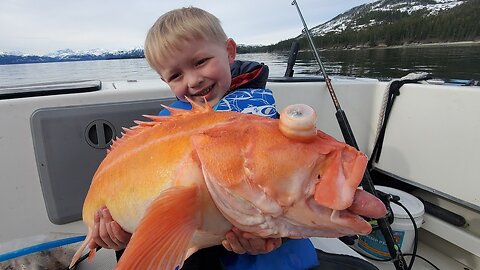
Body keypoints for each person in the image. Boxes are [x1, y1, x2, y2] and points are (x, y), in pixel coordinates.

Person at [89, 6, 319, 270]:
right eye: (176, 75)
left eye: (200, 62)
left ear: (230, 52)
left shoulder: (263, 121)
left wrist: (275, 233)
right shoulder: (165, 130)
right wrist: (121, 236)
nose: (194, 80)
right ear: (166, 81)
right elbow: (150, 210)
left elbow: (297, 193)